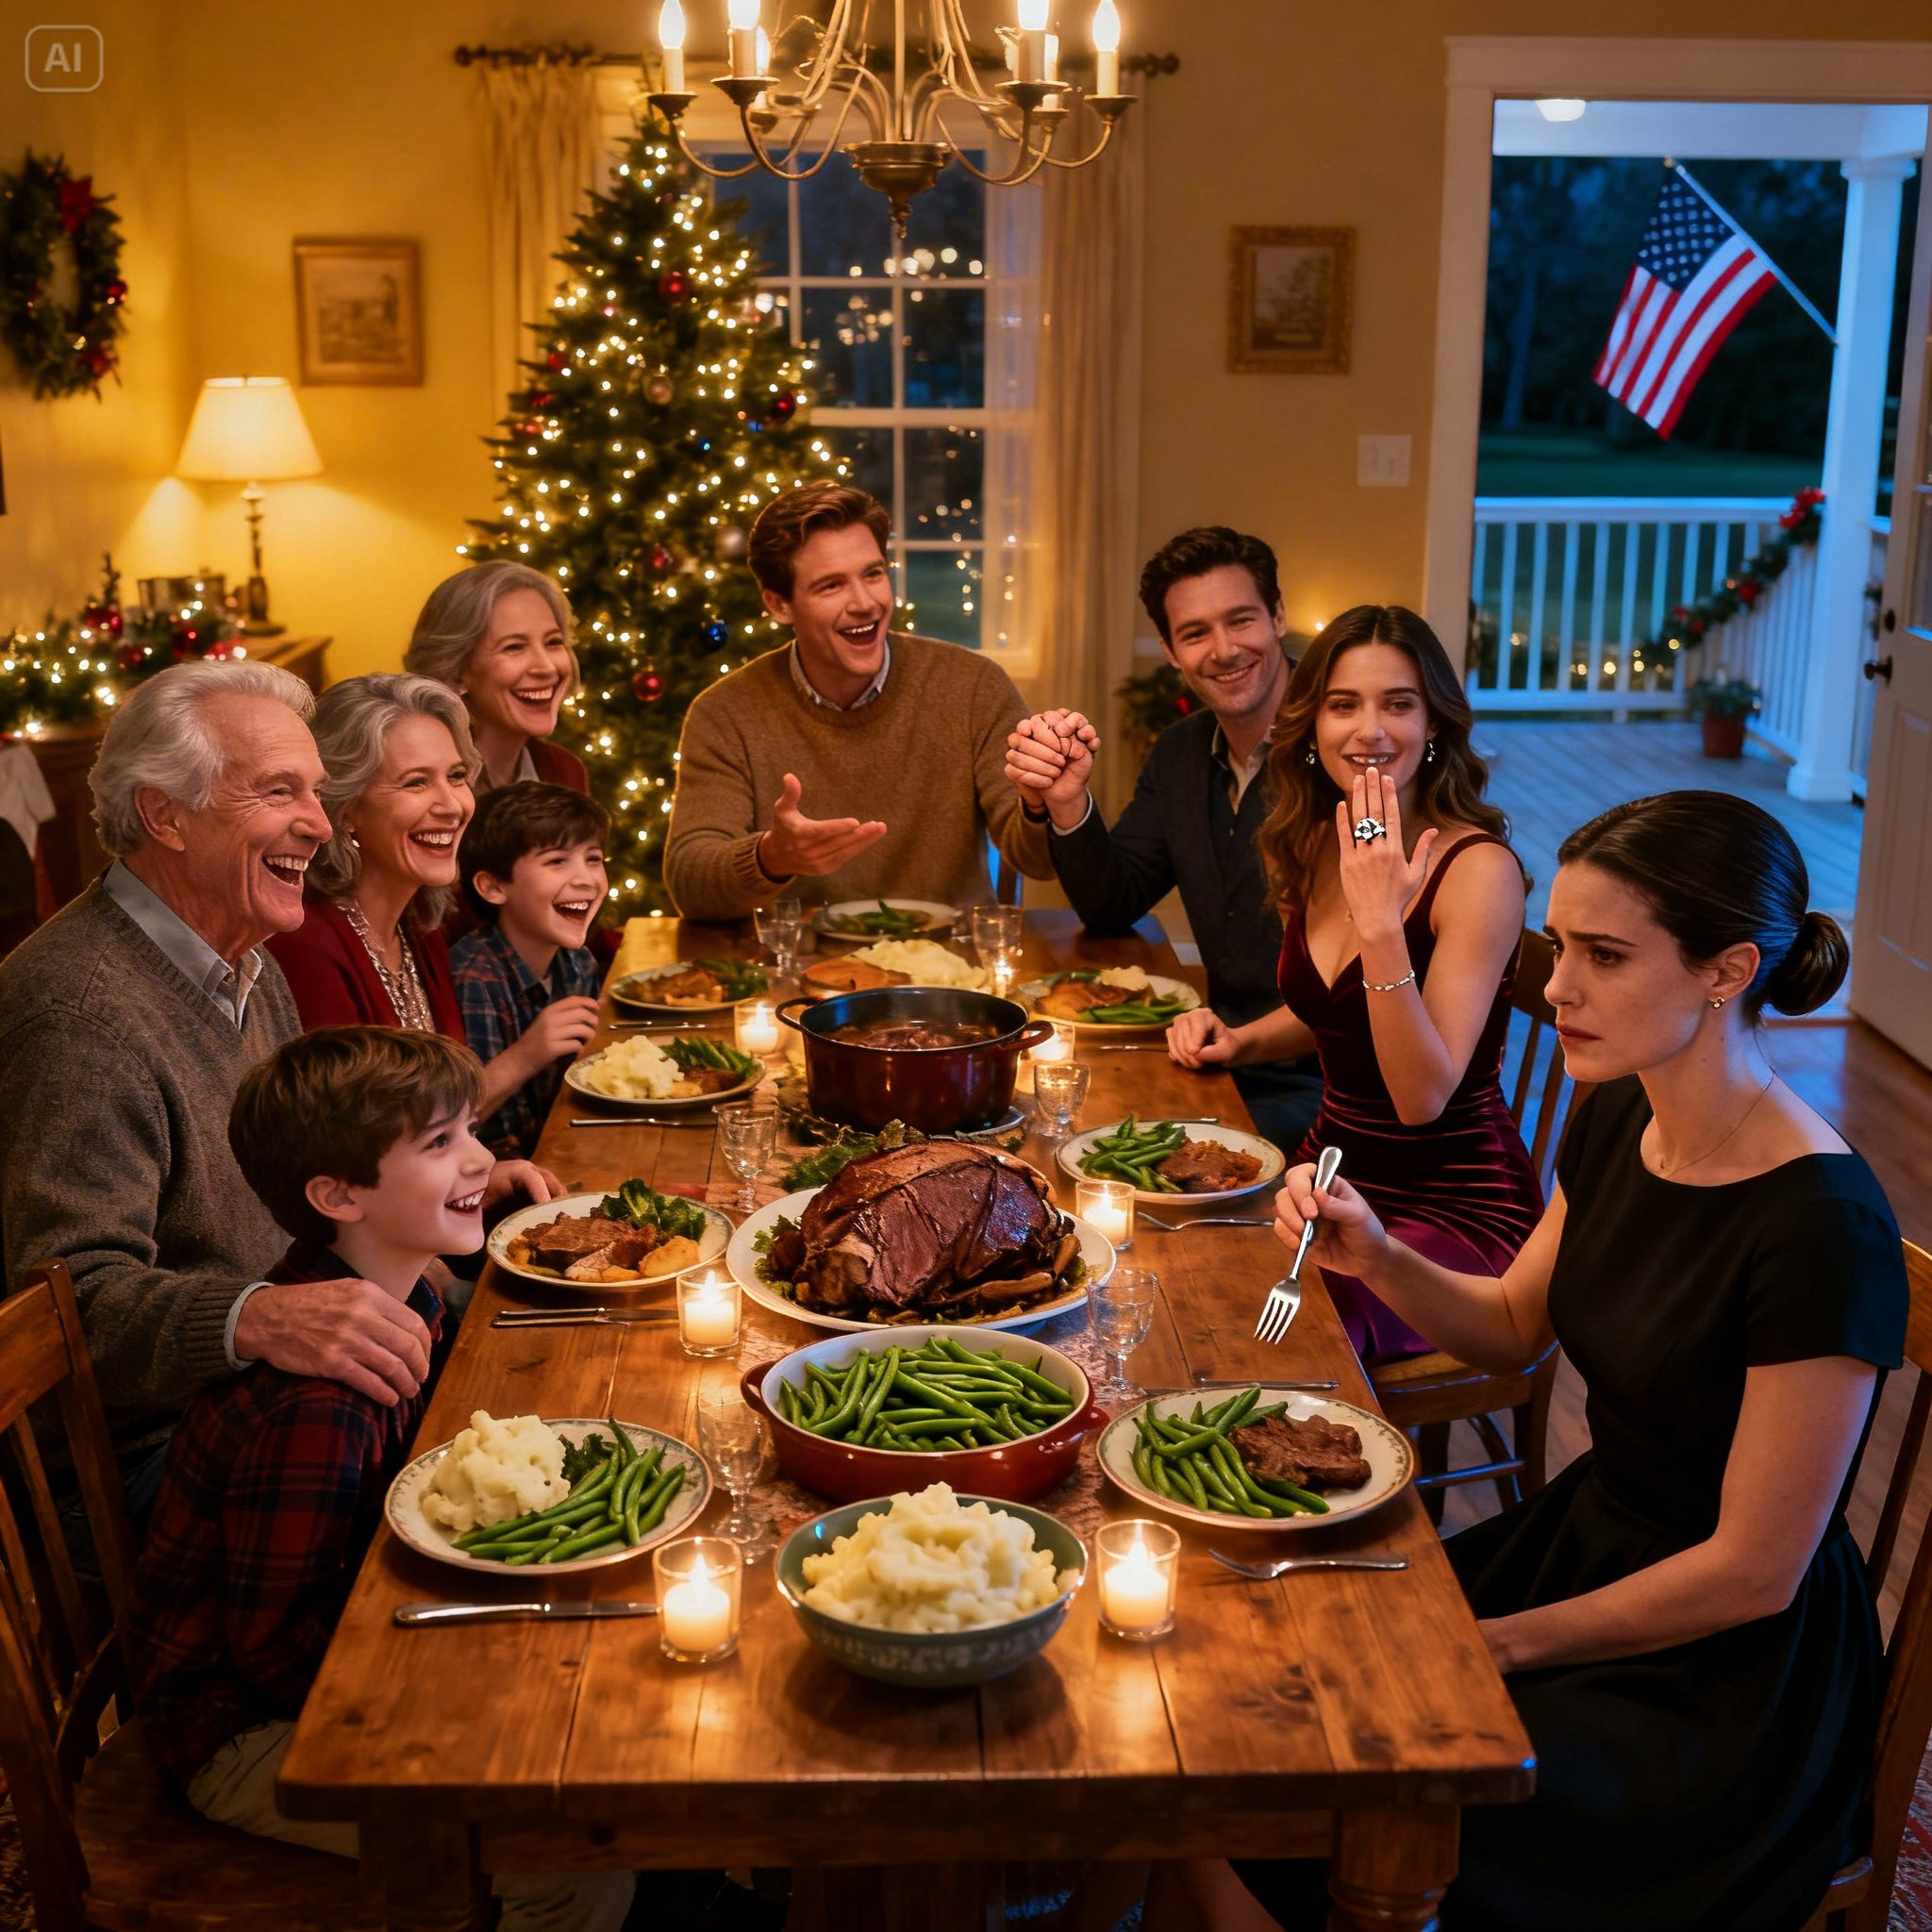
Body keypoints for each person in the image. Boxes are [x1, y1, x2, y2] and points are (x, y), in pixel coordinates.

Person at [1233, 791, 1907, 1932]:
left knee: (1354, 1784)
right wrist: (1381, 1250)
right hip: (1590, 1542)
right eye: (1562, 944)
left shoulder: (1819, 1225)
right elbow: (1506, 1323)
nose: (1551, 988)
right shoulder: (1617, 1113)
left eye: (1601, 955)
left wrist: (1491, 1646)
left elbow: (1752, 1570)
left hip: (1722, 1673)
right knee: (1283, 1691)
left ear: (1726, 969)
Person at [126, 1026, 632, 1932]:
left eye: (469, 1130)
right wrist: (467, 1687)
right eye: (440, 1143)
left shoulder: (411, 1296)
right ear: (337, 1195)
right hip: (243, 1734)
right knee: (577, 1870)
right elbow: (275, 1654)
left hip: (332, 1662)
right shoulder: (320, 1400)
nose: (479, 1158)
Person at [0, 662, 445, 1536]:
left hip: (273, 1391)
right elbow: (66, 1305)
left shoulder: (241, 958)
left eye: (316, 792)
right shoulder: (77, 1017)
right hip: (143, 1467)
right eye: (277, 791)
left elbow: (307, 1172)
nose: (319, 826)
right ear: (165, 813)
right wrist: (260, 1318)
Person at [1166, 606, 1541, 1362]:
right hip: (1330, 1177)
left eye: (1398, 704)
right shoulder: (1325, 839)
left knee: (1273, 1344)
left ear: (1433, 722)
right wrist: (1240, 1041)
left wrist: (1380, 926)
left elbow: (1421, 1097)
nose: (1370, 730)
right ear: (1311, 727)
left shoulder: (1478, 871)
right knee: (1178, 1271)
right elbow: (1341, 1010)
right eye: (1344, 705)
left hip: (1451, 1207)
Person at [1004, 526, 1321, 1151]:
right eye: (1195, 633)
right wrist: (1067, 802)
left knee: (1087, 1145)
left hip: (1327, 1082)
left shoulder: (1337, 751)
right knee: (1052, 1121)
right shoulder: (1182, 752)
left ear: (1279, 616)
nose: (1224, 649)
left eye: (1241, 620)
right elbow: (1114, 902)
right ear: (1172, 653)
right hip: (1220, 1056)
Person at [662, 481, 1055, 919]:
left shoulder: (974, 686)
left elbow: (1041, 862)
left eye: (873, 573)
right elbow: (690, 881)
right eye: (831, 586)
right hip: (800, 978)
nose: (866, 603)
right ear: (779, 605)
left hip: (949, 974)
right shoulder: (725, 713)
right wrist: (772, 857)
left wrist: (1045, 804)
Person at [266, 675, 596, 1130]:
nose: (453, 805)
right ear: (344, 809)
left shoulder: (421, 923)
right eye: (416, 783)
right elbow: (359, 1148)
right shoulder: (306, 943)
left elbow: (446, 1117)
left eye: (457, 776)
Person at [451, 783, 609, 1158]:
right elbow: (455, 1124)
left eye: (594, 858)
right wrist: (527, 1054)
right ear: (493, 887)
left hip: (564, 1146)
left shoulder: (578, 962)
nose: (586, 878)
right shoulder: (475, 977)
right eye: (557, 861)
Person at [404, 560, 588, 795]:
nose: (547, 667)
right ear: (455, 670)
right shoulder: (417, 782)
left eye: (553, 642)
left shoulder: (564, 771)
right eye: (514, 647)